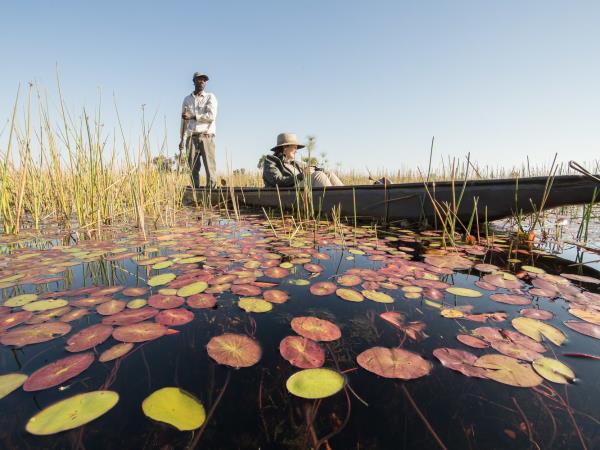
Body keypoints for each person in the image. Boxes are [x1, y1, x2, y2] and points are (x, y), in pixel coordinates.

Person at [179, 72, 218, 189]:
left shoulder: (210, 97)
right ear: (194, 81)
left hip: (206, 136)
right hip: (191, 137)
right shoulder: (187, 99)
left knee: (210, 167)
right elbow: (184, 121)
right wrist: (182, 139)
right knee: (193, 168)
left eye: (204, 80)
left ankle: (212, 193)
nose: (202, 82)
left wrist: (193, 116)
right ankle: (196, 194)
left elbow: (211, 116)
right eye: (199, 80)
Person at [262, 133, 344, 188]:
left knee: (328, 173)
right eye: (294, 147)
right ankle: (333, 202)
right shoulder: (271, 161)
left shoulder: (295, 163)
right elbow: (278, 181)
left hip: (298, 189)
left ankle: (347, 196)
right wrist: (302, 175)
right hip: (288, 193)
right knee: (318, 175)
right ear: (285, 147)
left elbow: (310, 169)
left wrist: (316, 169)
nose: (296, 151)